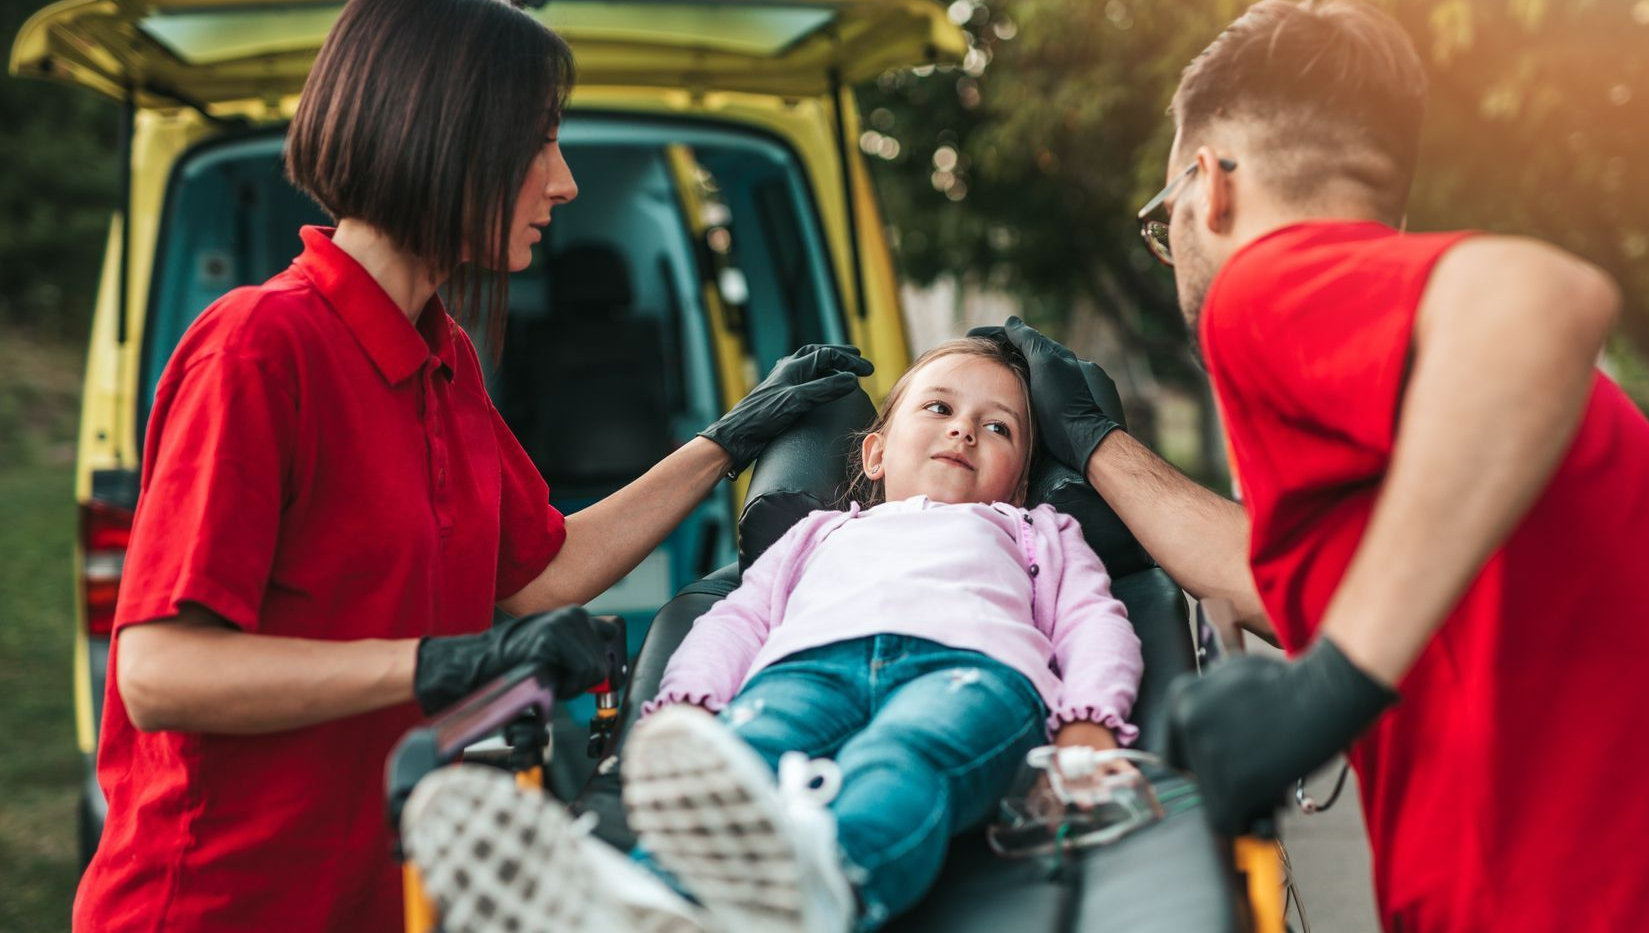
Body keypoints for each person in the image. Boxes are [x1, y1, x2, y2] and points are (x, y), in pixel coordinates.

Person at [982, 0, 1649, 931]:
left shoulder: (1265, 283)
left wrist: (1329, 689)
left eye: (1165, 223)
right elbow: (1275, 578)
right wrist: (1095, 445)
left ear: (1211, 185)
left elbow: (1544, 299)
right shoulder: (1428, 435)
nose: (1174, 256)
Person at [72, 0, 872, 933]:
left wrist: (727, 439)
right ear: (442, 137)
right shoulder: (259, 348)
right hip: (217, 904)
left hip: (380, 896)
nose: (565, 180)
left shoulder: (440, 354)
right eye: (539, 141)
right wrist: (442, 665)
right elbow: (162, 673)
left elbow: (541, 574)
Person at [400, 335, 1145, 933]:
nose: (963, 429)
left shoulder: (1036, 530)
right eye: (940, 407)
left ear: (1018, 480)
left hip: (972, 672)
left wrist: (1089, 725)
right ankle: (630, 900)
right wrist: (688, 703)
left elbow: (1092, 622)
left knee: (902, 756)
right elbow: (738, 620)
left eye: (997, 427)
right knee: (737, 765)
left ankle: (824, 885)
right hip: (806, 671)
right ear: (875, 454)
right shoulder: (818, 534)